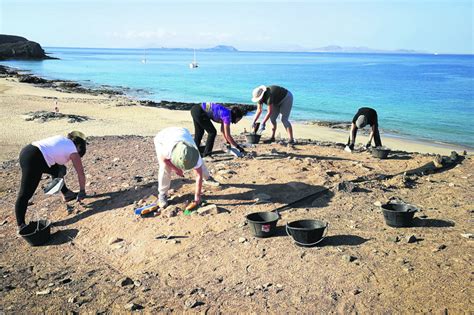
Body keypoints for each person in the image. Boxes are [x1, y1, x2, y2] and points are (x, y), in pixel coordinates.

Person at [15, 131, 87, 229]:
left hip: (30, 151)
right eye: (80, 150)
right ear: (79, 145)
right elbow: (81, 173)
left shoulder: (64, 140)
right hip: (33, 158)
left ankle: (66, 194)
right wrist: (82, 191)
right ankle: (21, 225)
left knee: (59, 169)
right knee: (25, 193)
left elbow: (54, 156)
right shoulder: (73, 151)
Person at [154, 127, 213, 209]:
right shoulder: (167, 150)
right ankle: (162, 194)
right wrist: (177, 169)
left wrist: (197, 197)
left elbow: (198, 175)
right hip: (162, 138)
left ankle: (207, 177)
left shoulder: (193, 151)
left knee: (199, 163)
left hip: (182, 133)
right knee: (165, 167)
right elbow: (164, 160)